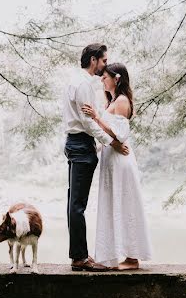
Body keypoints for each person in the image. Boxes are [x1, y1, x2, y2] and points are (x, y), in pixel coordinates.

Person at [62, 43, 129, 272]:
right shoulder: (82, 84)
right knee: (77, 204)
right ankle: (80, 258)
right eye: (103, 61)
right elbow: (87, 123)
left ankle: (77, 255)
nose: (105, 65)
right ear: (93, 60)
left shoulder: (78, 81)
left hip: (76, 143)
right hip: (80, 144)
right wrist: (112, 143)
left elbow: (90, 119)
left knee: (74, 202)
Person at [82, 62, 152, 270]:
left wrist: (96, 117)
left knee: (125, 203)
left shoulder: (122, 101)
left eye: (105, 77)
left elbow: (119, 134)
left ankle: (132, 258)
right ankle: (117, 254)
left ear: (117, 78)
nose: (102, 80)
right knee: (114, 204)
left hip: (121, 161)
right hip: (111, 159)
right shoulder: (111, 101)